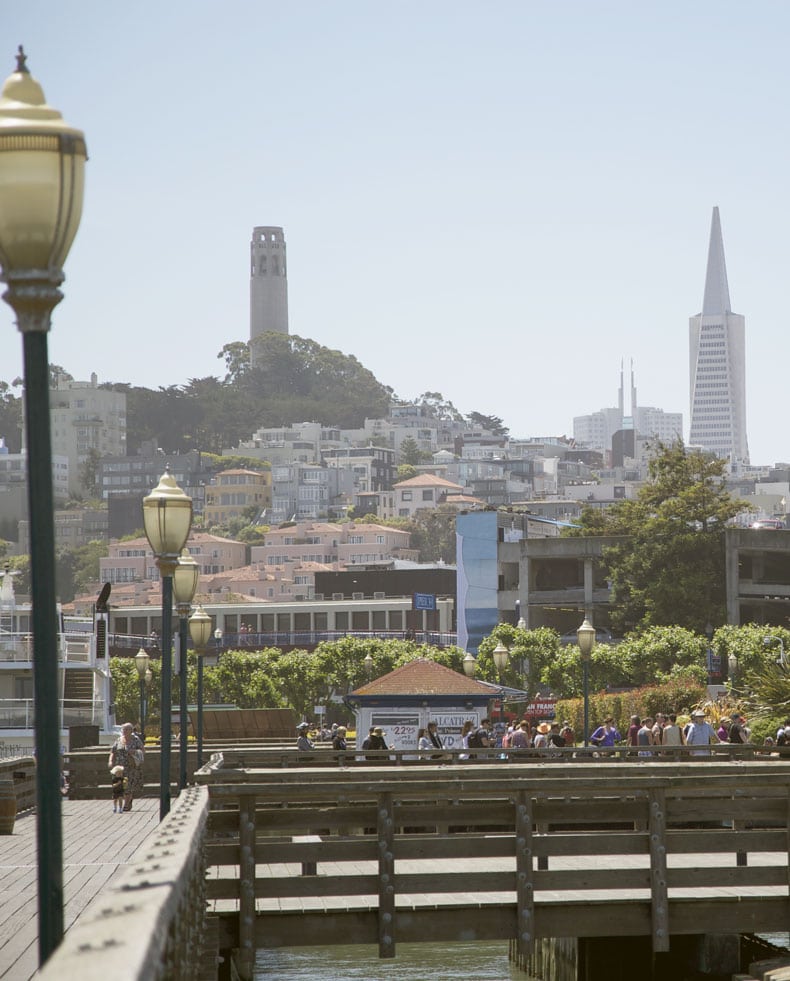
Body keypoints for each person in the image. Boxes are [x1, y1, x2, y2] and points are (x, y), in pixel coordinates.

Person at [108, 722, 144, 812]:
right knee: (120, 786)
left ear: (131, 730)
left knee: (128, 786)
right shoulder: (119, 740)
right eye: (123, 729)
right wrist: (110, 761)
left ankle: (126, 804)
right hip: (120, 767)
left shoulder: (136, 740)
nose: (124, 731)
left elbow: (143, 751)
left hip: (131, 766)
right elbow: (113, 751)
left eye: (126, 729)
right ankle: (128, 800)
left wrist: (135, 751)